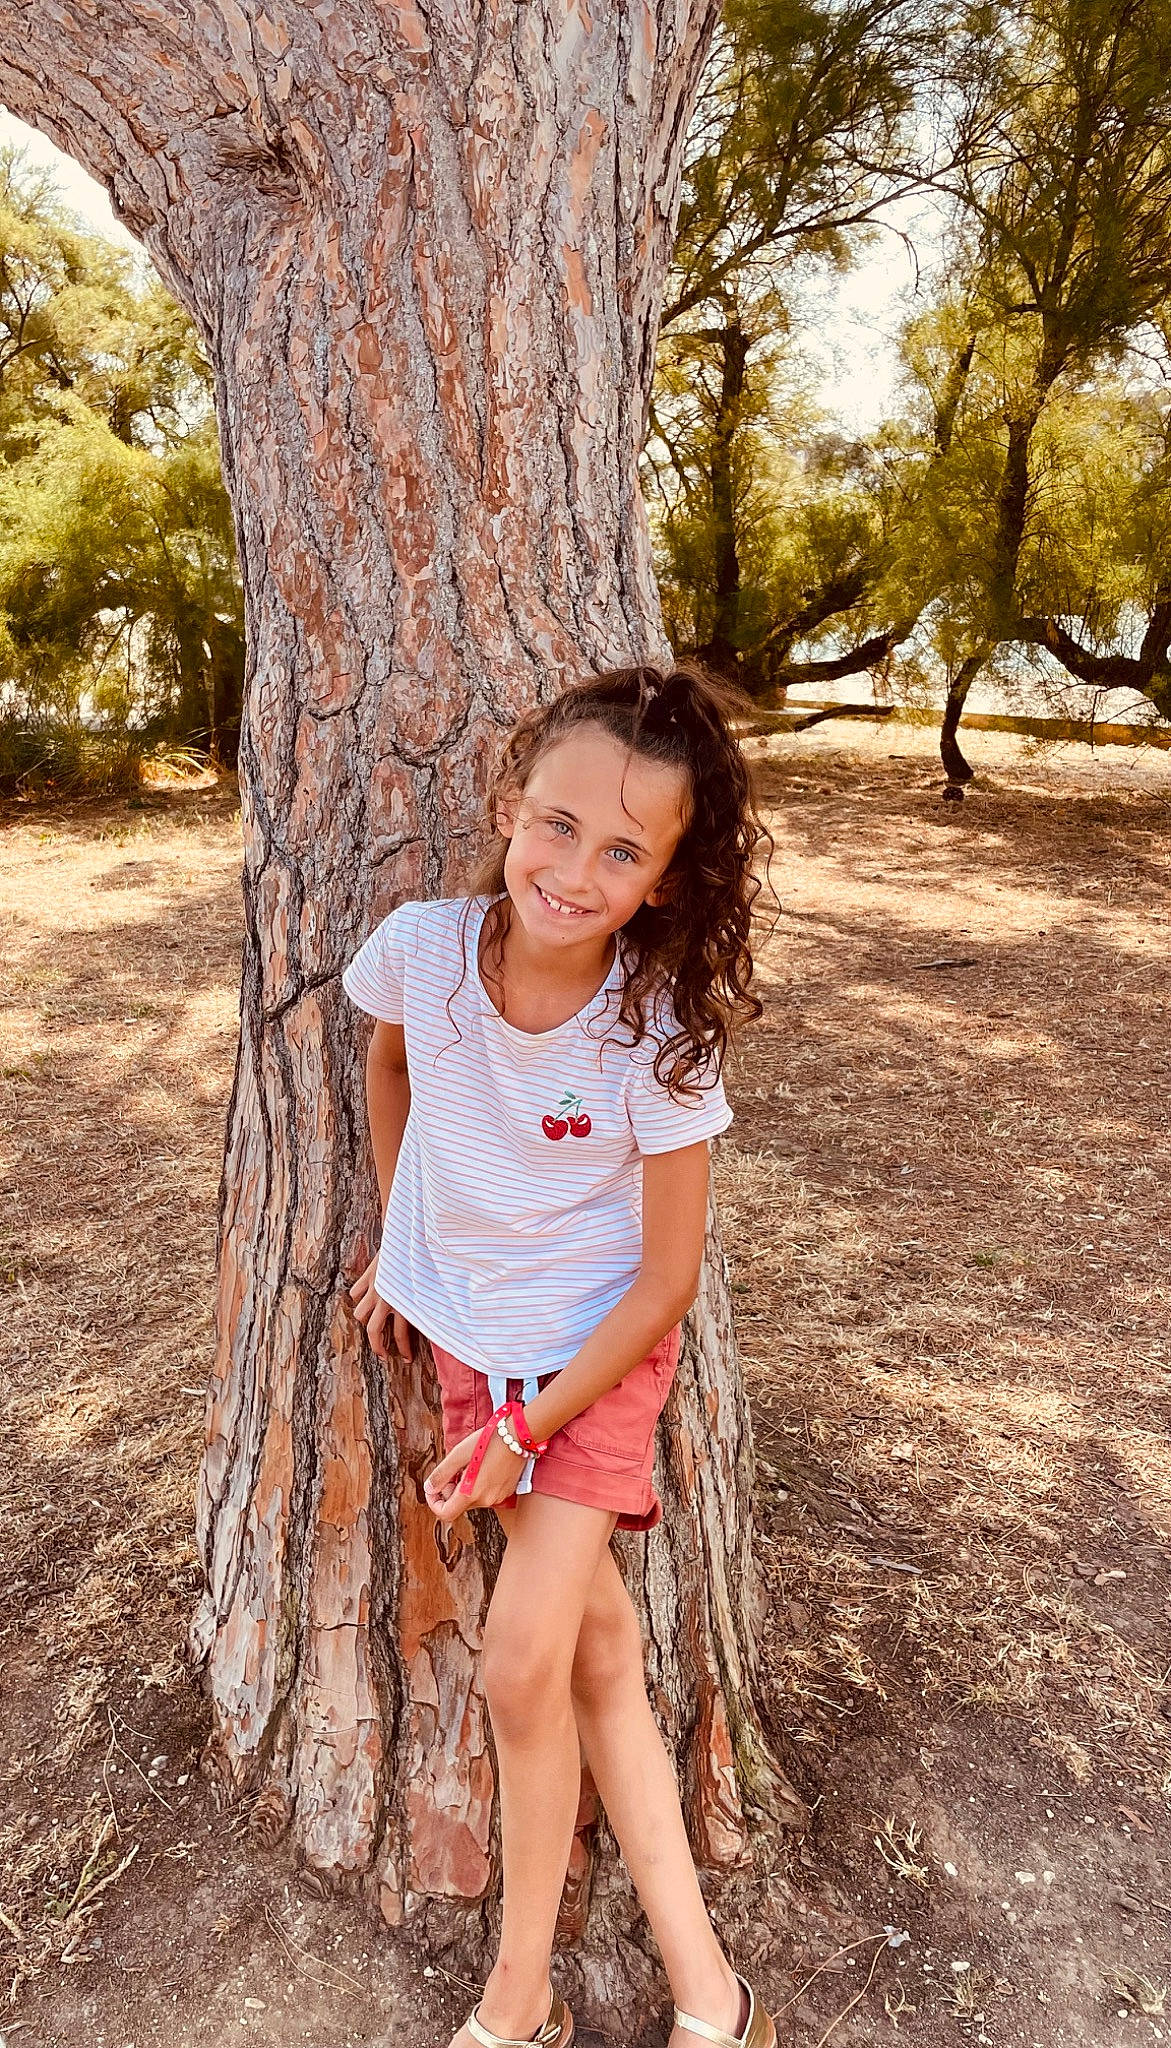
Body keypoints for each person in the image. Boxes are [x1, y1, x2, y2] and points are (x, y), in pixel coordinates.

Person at [343, 662, 776, 2048]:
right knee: (594, 1651)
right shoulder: (424, 949)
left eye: (624, 851)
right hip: (478, 1341)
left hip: (593, 1360)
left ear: (665, 880)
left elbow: (666, 1281)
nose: (575, 870)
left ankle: (518, 1996)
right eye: (557, 825)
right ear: (512, 801)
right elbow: (389, 1068)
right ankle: (714, 1998)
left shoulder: (657, 1036)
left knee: (522, 1659)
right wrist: (402, 1240)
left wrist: (533, 1432)